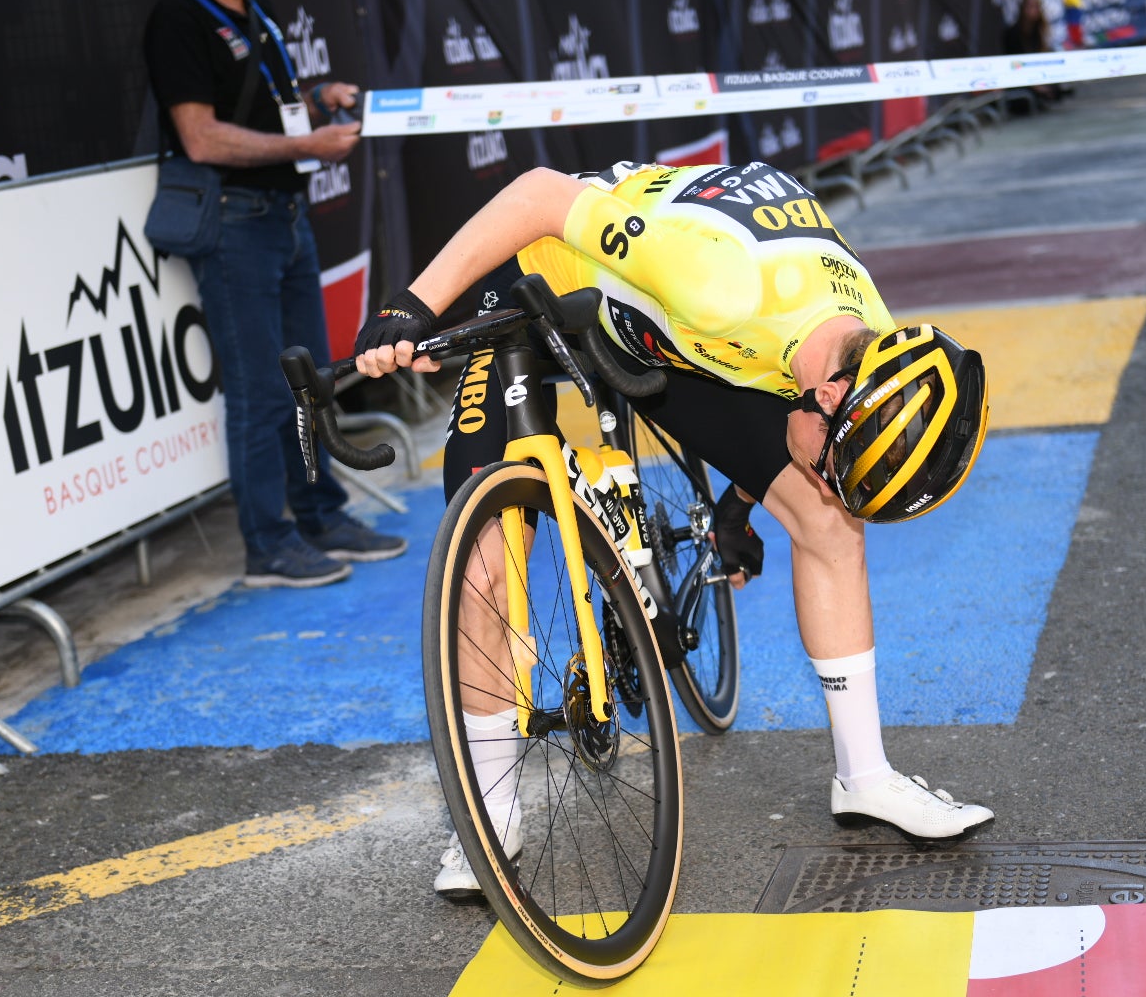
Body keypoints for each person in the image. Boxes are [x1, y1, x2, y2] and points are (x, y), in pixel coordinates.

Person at [354, 161, 995, 895]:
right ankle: (489, 813)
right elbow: (535, 193)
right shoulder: (721, 284)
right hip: (546, 270)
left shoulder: (867, 346)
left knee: (829, 524)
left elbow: (801, 431)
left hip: (664, 330)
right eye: (835, 465)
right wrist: (414, 306)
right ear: (827, 394)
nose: (829, 478)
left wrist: (740, 504)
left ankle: (865, 776)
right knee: (483, 566)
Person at [143, 0, 405, 588]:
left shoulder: (255, 14)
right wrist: (307, 146)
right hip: (236, 223)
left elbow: (261, 110)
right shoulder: (180, 19)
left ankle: (321, 517)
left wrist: (316, 101)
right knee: (260, 390)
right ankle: (266, 544)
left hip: (287, 216)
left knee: (311, 381)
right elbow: (202, 139)